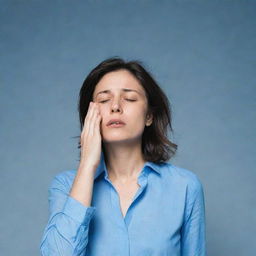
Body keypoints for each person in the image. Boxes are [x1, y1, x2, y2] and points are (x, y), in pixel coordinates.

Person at [39, 57, 206, 256]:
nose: (115, 106)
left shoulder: (184, 186)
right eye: (103, 100)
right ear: (89, 116)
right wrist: (87, 165)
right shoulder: (65, 186)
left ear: (149, 116)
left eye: (130, 98)